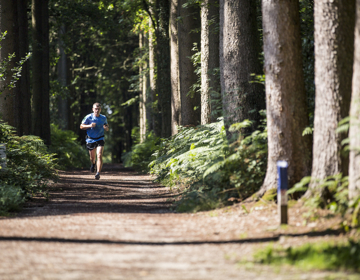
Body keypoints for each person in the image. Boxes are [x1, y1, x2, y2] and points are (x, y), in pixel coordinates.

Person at [80, 102, 109, 180]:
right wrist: (89, 125)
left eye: (98, 109)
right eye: (95, 109)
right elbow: (81, 126)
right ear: (93, 109)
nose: (97, 110)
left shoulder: (103, 118)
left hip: (100, 138)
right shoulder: (88, 117)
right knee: (92, 158)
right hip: (90, 139)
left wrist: (106, 128)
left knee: (99, 155)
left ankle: (98, 173)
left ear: (100, 110)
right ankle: (93, 164)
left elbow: (106, 126)